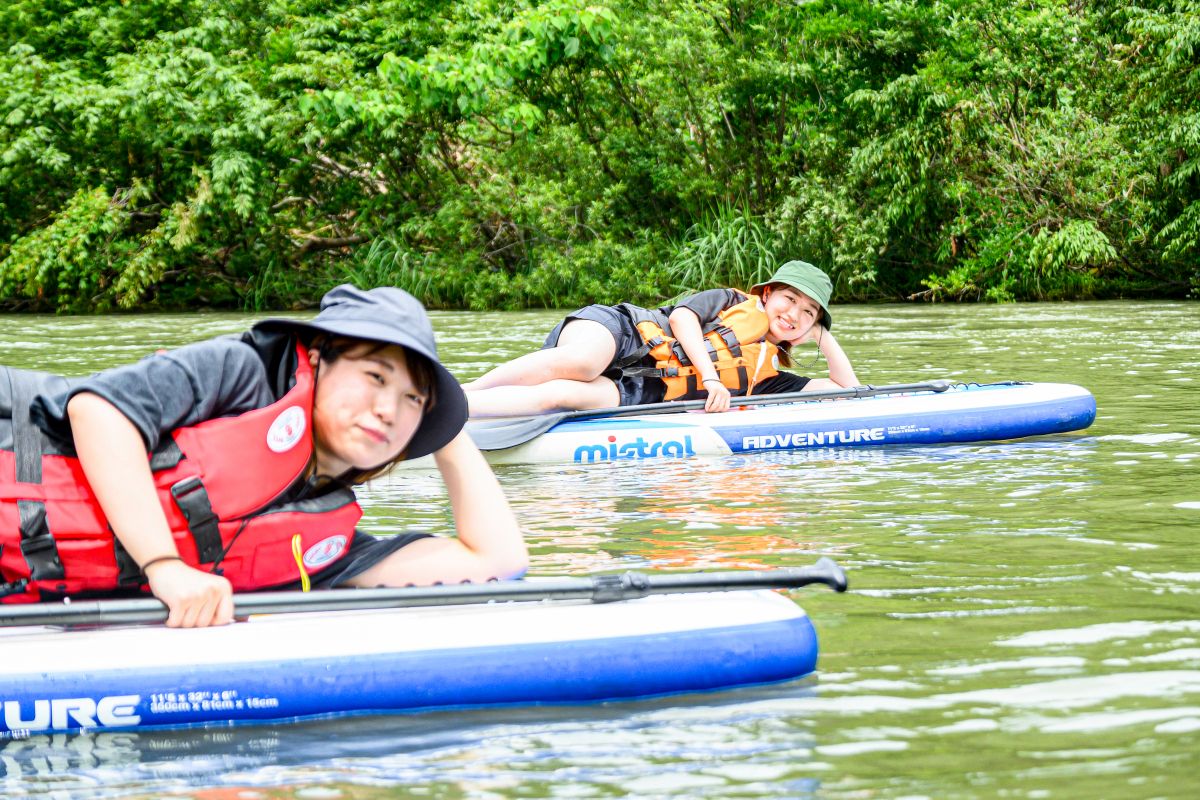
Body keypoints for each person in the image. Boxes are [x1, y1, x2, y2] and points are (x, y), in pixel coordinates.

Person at [1, 285, 528, 627]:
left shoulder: (329, 548)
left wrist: (445, 426)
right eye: (374, 377)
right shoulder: (241, 372)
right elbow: (99, 411)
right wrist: (165, 566)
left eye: (412, 399)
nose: (389, 410)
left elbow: (497, 563)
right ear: (317, 359)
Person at [463, 260, 859, 417]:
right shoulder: (730, 301)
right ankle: (461, 393)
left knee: (561, 395)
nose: (794, 314)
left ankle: (462, 414)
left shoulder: (768, 377)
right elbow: (684, 318)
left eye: (808, 312)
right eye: (790, 299)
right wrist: (711, 378)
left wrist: (822, 335)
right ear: (767, 294)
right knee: (580, 364)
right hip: (623, 333)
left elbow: (847, 389)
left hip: (640, 391)